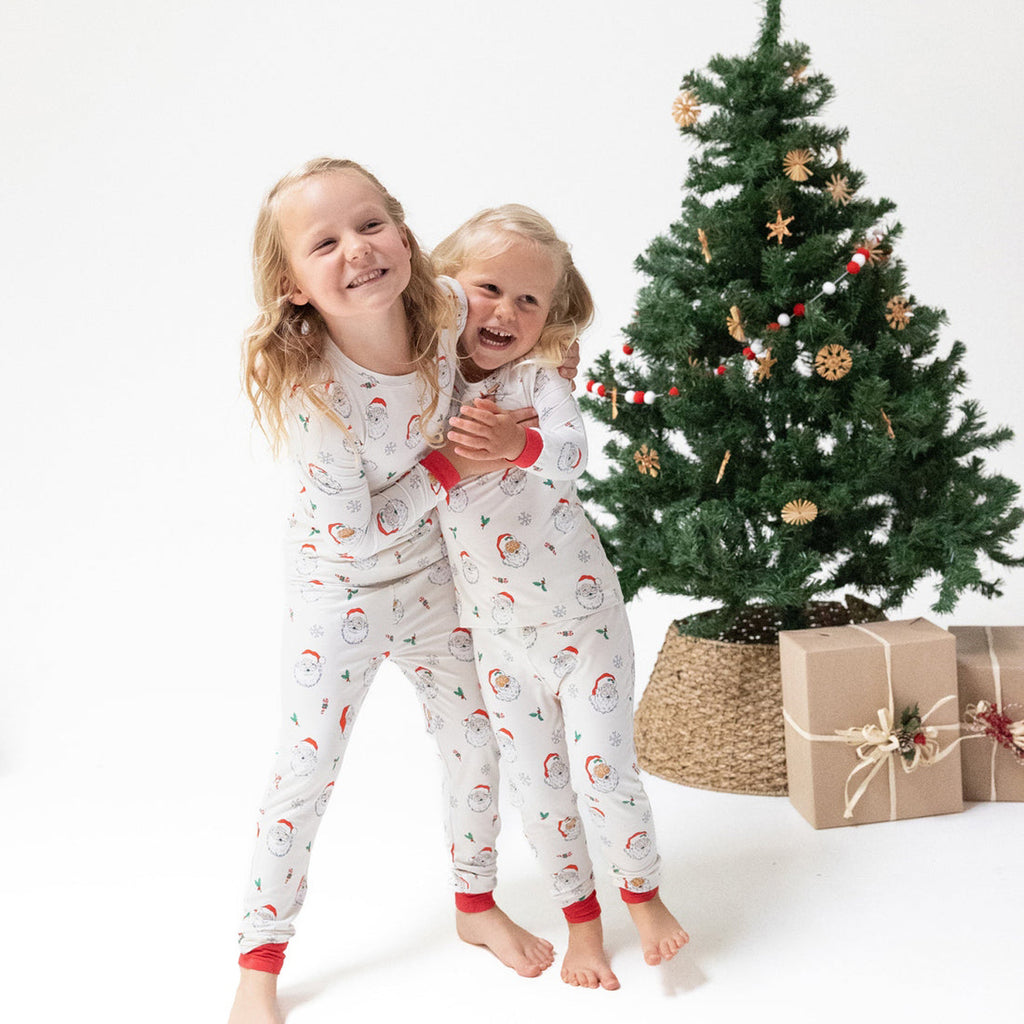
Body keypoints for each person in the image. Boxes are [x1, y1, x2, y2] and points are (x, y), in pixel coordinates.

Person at [229, 161, 560, 1024]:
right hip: (338, 594)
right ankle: (259, 964)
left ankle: (475, 902)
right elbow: (356, 531)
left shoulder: (446, 309)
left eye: (371, 225)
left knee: (476, 737)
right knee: (306, 769)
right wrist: (455, 462)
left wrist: (531, 423)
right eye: (325, 242)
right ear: (292, 287)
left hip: (435, 579)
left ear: (405, 236)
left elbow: (527, 330)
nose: (358, 250)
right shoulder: (314, 397)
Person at [423, 205, 690, 990]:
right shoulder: (425, 382)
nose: (505, 311)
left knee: (604, 769)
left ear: (551, 318)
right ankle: (583, 927)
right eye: (489, 289)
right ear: (448, 287)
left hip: (582, 625)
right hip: (499, 641)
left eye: (529, 301)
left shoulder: (535, 381)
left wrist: (519, 443)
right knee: (540, 789)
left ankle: (644, 899)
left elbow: (570, 455)